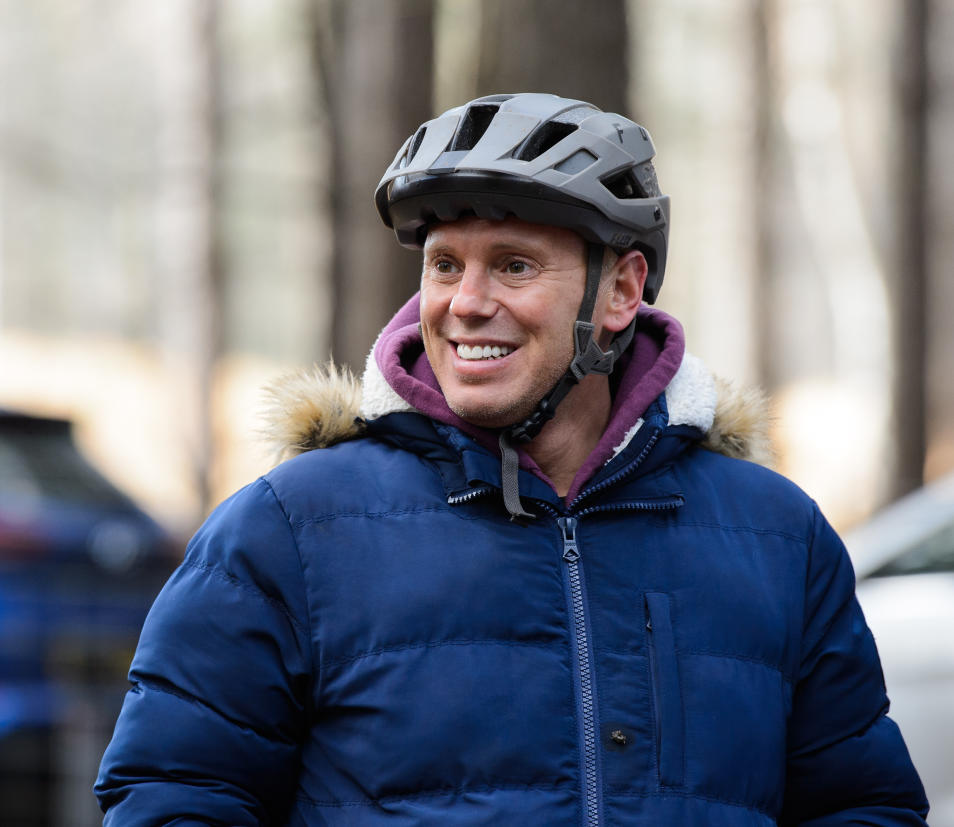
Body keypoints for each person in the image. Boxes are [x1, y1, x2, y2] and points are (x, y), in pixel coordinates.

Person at [95, 93, 928, 825]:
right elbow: (171, 793)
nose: (466, 304)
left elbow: (864, 805)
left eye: (514, 266)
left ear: (621, 291)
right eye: (445, 265)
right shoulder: (288, 531)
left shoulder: (778, 538)